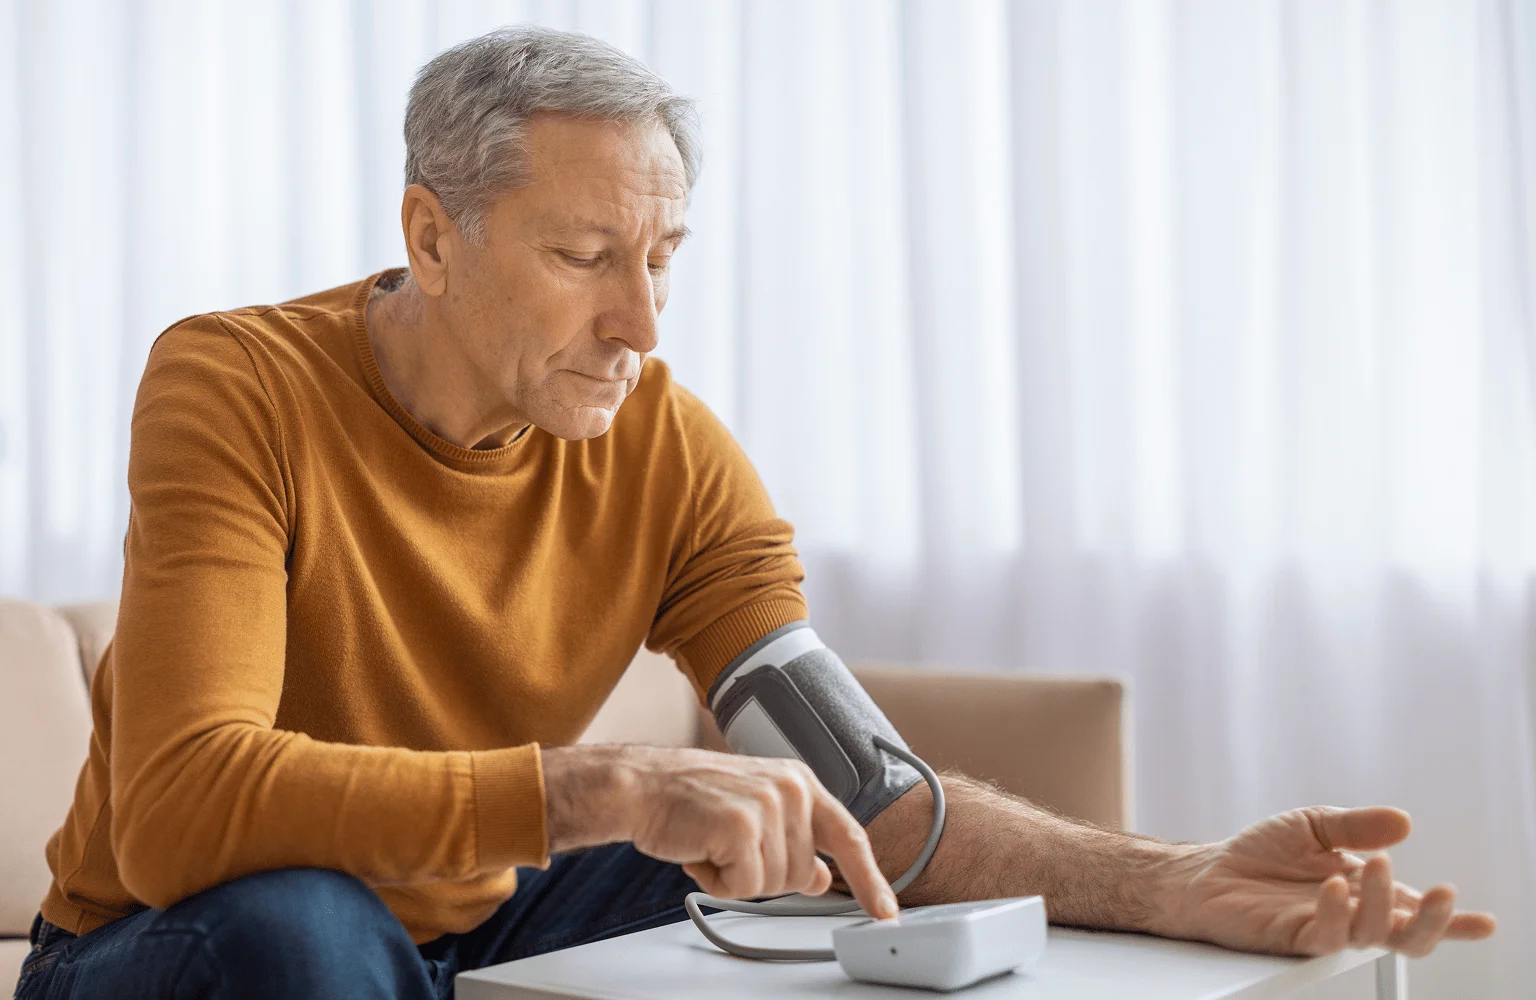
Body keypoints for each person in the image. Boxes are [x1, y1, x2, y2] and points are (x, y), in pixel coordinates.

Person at [15, 25, 1494, 1000]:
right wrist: (597, 788)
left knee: (825, 914)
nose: (642, 322)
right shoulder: (233, 383)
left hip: (474, 917)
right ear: (430, 236)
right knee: (308, 931)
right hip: (171, 942)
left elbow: (869, 789)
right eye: (589, 253)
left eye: (663, 255)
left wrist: (1172, 882)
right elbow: (182, 809)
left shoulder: (660, 443)